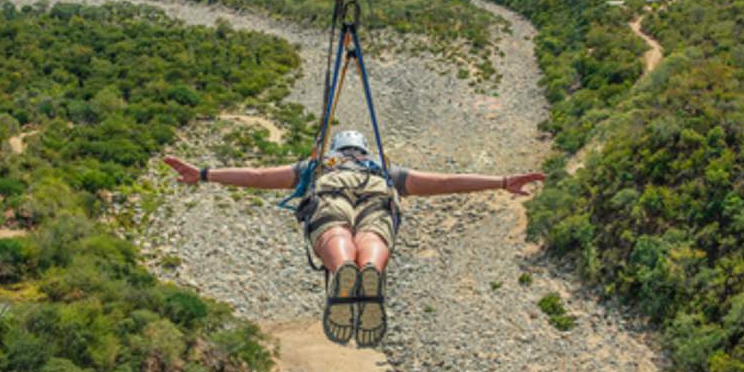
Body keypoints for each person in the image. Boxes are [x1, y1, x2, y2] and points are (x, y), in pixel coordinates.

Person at [163, 130, 545, 348]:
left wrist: (205, 173)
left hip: (330, 190)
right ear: (365, 150)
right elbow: (445, 183)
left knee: (332, 227)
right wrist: (501, 181)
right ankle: (369, 269)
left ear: (335, 150)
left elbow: (259, 175)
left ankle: (342, 265)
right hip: (376, 193)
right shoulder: (384, 171)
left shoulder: (315, 167)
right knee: (374, 231)